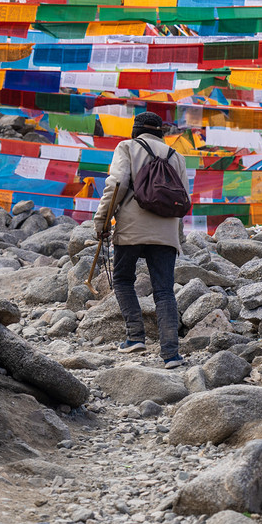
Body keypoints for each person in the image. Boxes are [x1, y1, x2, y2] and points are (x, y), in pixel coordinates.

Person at [94, 112, 188, 368]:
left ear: (135, 130)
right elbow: (183, 199)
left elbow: (116, 186)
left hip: (132, 227)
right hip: (166, 231)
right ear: (161, 133)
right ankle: (171, 354)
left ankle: (135, 336)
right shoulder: (176, 156)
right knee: (164, 291)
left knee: (123, 280)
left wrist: (102, 222)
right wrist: (177, 240)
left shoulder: (127, 147)